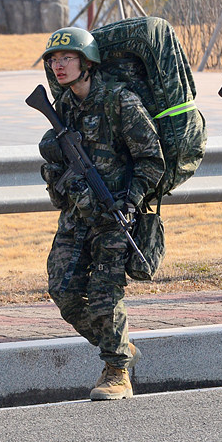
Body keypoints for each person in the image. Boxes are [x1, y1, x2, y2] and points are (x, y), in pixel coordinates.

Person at [38, 27, 165, 400]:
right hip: (77, 216)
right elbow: (53, 163)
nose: (58, 66)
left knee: (105, 294)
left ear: (87, 63)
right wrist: (61, 177)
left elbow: (150, 160)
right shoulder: (62, 107)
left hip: (114, 216)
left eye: (66, 58)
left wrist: (130, 201)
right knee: (63, 292)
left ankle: (116, 371)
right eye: (53, 60)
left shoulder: (119, 101)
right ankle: (120, 347)